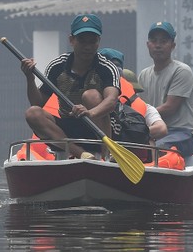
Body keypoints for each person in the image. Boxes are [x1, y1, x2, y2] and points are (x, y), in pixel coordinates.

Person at [20, 14, 120, 159]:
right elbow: (37, 103)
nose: (87, 47)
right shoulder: (57, 66)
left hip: (100, 127)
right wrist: (29, 77)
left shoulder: (106, 67)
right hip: (67, 130)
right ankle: (81, 154)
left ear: (98, 42)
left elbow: (111, 101)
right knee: (32, 113)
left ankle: (106, 156)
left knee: (90, 95)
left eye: (92, 42)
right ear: (72, 40)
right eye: (82, 41)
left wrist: (90, 113)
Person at [138, 21, 193, 158]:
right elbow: (140, 108)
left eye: (164, 41)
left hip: (183, 133)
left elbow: (170, 108)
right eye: (154, 41)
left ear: (173, 46)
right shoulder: (144, 75)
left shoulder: (182, 71)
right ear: (148, 45)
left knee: (159, 147)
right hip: (155, 131)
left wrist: (138, 121)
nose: (158, 45)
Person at [98, 48, 168, 142]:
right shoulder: (90, 99)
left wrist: (132, 133)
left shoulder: (144, 107)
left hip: (125, 155)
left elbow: (161, 129)